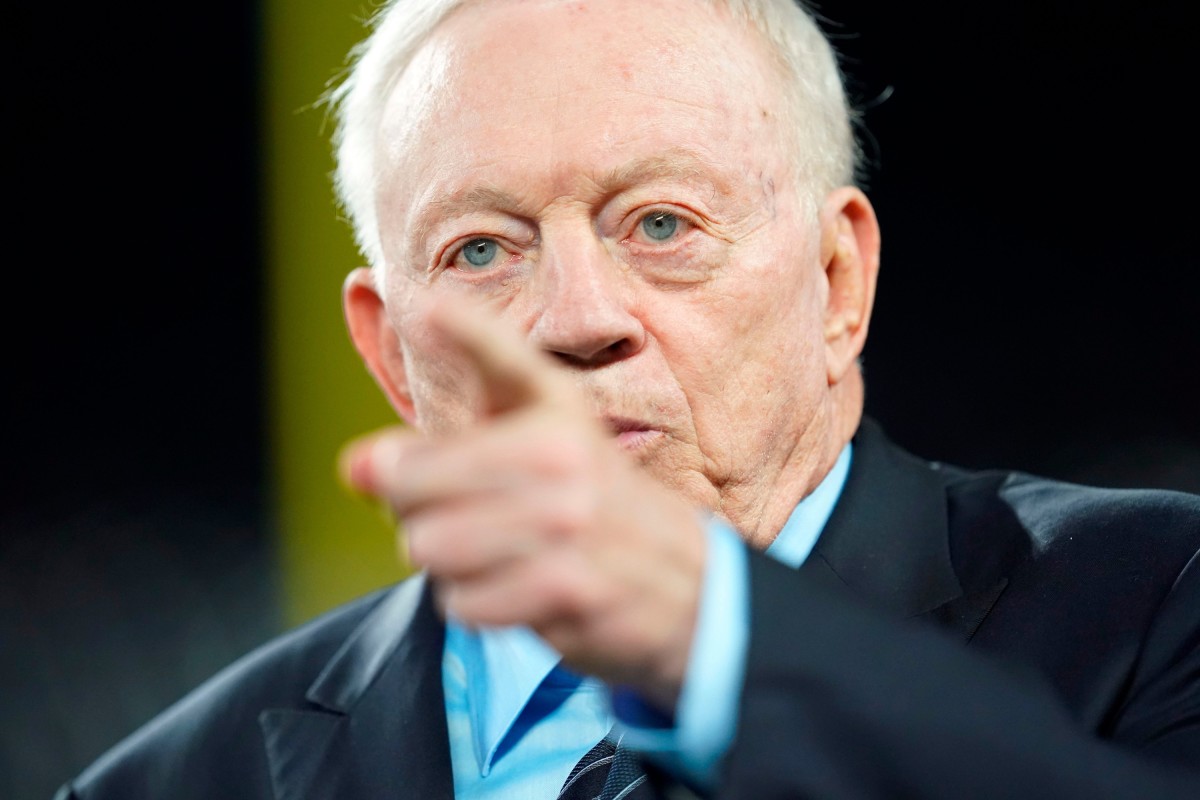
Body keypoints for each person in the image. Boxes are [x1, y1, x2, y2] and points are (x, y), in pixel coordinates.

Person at [55, 0, 1200, 798]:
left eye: (661, 224)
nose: (574, 319)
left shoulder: (1160, 606)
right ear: (393, 353)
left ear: (837, 279)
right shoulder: (155, 785)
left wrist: (712, 641)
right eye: (482, 252)